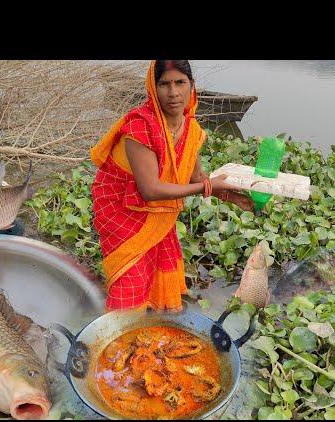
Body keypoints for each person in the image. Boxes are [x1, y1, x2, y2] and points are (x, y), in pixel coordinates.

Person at [90, 60, 254, 312]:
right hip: (121, 210)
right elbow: (151, 190)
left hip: (159, 213)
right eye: (164, 84)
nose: (173, 93)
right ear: (153, 88)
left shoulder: (192, 131)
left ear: (192, 87)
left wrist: (232, 195)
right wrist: (207, 188)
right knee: (130, 281)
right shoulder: (139, 127)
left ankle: (150, 337)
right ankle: (117, 337)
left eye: (180, 83)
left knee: (156, 276)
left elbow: (196, 177)